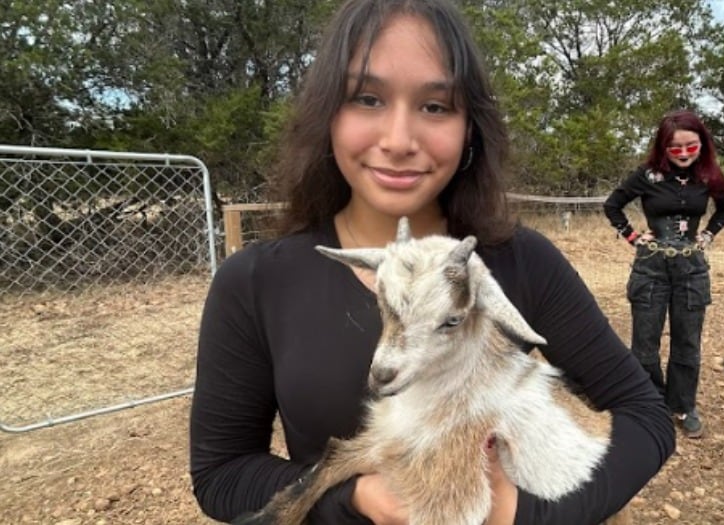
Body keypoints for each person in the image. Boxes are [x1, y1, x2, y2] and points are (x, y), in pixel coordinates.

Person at [190, 1, 675, 523]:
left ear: (470, 128)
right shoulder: (257, 280)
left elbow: (646, 416)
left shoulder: (521, 262)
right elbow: (223, 473)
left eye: (436, 106)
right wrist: (354, 497)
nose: (398, 141)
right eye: (367, 98)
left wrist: (522, 516)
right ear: (328, 114)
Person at [603, 109, 724, 439]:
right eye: (675, 148)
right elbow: (612, 204)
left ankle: (682, 405)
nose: (684, 154)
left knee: (687, 343)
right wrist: (632, 236)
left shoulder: (709, 175)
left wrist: (707, 234)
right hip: (651, 268)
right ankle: (649, 403)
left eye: (692, 146)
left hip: (692, 269)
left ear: (702, 144)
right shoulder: (647, 175)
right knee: (645, 345)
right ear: (663, 148)